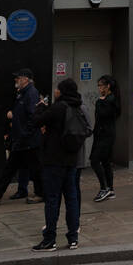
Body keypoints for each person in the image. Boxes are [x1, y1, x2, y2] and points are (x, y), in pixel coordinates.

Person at [32, 77, 89, 251]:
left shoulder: (59, 107)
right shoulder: (77, 107)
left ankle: (50, 239)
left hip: (54, 160)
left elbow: (37, 121)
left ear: (62, 91)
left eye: (58, 89)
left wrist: (41, 106)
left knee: (52, 200)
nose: (55, 91)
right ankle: (73, 238)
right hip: (71, 160)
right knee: (71, 199)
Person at [0, 68, 43, 205]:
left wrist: (25, 132)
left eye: (18, 77)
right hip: (21, 139)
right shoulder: (22, 94)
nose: (16, 80)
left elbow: (33, 116)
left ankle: (41, 194)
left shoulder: (31, 93)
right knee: (10, 168)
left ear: (26, 79)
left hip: (28, 140)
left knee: (34, 168)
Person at [91, 75, 120, 201]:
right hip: (102, 134)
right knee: (106, 162)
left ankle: (104, 188)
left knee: (94, 160)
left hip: (105, 135)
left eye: (101, 85)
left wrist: (99, 102)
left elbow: (103, 115)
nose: (99, 88)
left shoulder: (110, 100)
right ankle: (110, 189)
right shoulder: (107, 99)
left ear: (108, 86)